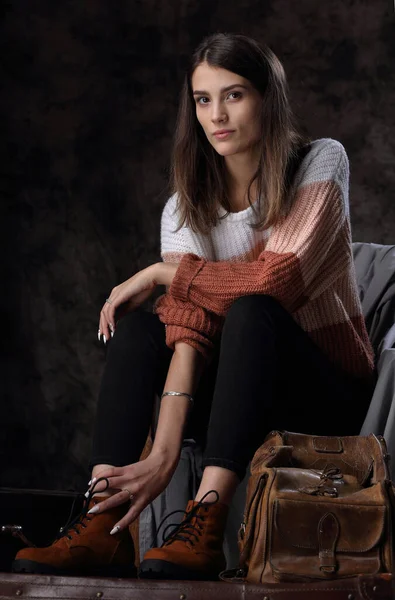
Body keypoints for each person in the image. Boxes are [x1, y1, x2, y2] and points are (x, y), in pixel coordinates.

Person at [13, 32, 375, 581]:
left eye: (234, 95)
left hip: (323, 396)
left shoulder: (320, 163)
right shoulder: (185, 204)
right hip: (236, 393)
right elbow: (191, 321)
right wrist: (161, 452)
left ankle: (206, 521)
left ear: (267, 98)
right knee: (140, 332)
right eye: (203, 100)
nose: (217, 115)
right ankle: (101, 520)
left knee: (252, 311)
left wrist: (164, 272)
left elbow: (277, 279)